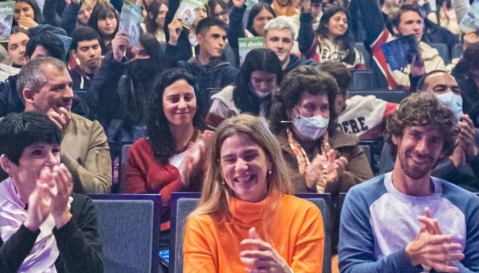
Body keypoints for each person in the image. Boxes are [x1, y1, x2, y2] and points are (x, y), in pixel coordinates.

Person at [338, 93, 479, 272]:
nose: (422, 148)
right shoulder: (362, 198)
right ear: (396, 137)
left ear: (444, 150)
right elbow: (351, 270)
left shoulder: (469, 205)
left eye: (434, 140)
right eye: (415, 135)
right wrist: (409, 257)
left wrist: (447, 263)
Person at [0, 111, 104, 273]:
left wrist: (62, 217)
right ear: (7, 164)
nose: (53, 161)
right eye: (37, 152)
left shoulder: (79, 207)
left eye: (55, 150)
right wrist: (30, 226)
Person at [183, 114, 325, 272]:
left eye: (250, 156)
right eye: (230, 159)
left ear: (269, 160)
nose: (241, 167)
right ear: (221, 170)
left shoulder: (305, 215)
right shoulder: (201, 224)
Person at [0, 57, 111, 194]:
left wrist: (55, 149)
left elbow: (101, 191)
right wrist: (16, 148)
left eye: (70, 85)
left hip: (67, 217)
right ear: (29, 95)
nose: (70, 95)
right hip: (6, 219)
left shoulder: (90, 130)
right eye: (58, 88)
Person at [387, 69, 479, 193]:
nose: (450, 95)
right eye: (441, 89)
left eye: (456, 91)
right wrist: (452, 165)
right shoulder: (406, 135)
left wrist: (474, 155)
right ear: (422, 96)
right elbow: (391, 185)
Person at [125, 69, 210, 229]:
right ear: (160, 105)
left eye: (188, 98)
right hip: (158, 236)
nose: (183, 105)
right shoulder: (139, 151)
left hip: (205, 231)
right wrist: (182, 180)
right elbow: (140, 212)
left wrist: (205, 168)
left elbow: (220, 200)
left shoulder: (211, 144)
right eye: (174, 99)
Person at [269, 66, 373, 195]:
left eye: (324, 108)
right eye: (310, 107)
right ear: (290, 111)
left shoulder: (348, 144)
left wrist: (341, 180)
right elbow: (265, 193)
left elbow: (370, 192)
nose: (318, 115)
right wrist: (304, 181)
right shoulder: (270, 147)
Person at [0, 30, 69, 121]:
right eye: (40, 59)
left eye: (52, 60)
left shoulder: (70, 97)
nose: (47, 66)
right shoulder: (10, 89)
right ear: (27, 60)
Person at [90, 32, 166, 143]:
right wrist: (115, 60)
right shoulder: (121, 85)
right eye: (131, 56)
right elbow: (97, 100)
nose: (138, 59)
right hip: (125, 146)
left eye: (143, 53)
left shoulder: (168, 84)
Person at [318, 62, 397, 141]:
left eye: (344, 92)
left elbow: (404, 113)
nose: (341, 99)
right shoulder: (312, 117)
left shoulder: (365, 104)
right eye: (334, 93)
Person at [206, 48, 282, 129]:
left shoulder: (281, 98)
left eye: (270, 80)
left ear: (278, 78)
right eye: (257, 80)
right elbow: (211, 134)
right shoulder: (226, 98)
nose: (263, 86)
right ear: (247, 77)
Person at [165, 17, 239, 91]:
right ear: (200, 39)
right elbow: (167, 75)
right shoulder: (185, 68)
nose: (221, 43)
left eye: (224, 38)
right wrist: (173, 41)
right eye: (215, 36)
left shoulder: (230, 74)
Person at [68, 27, 102, 92]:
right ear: (74, 53)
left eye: (95, 47)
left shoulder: (112, 73)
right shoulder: (69, 79)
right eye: (85, 49)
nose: (92, 53)